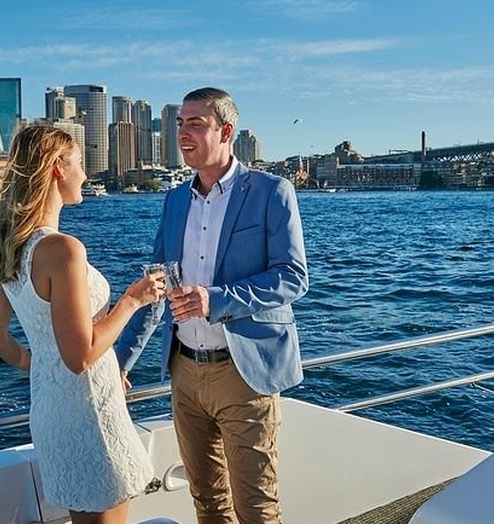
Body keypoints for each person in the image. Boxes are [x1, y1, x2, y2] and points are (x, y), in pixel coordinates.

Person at [117, 87, 309, 524]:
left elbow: (293, 277)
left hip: (242, 372)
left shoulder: (270, 191)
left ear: (226, 131)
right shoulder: (175, 199)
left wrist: (216, 299)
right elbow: (158, 286)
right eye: (180, 123)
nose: (183, 133)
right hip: (184, 372)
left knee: (256, 509)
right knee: (206, 501)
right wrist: (121, 361)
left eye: (196, 124)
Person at [0, 125, 164, 524]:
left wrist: (40, 365)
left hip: (50, 411)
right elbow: (79, 356)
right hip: (89, 414)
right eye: (80, 164)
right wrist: (134, 299)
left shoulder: (7, 245)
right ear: (58, 169)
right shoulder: (62, 249)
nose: (86, 175)